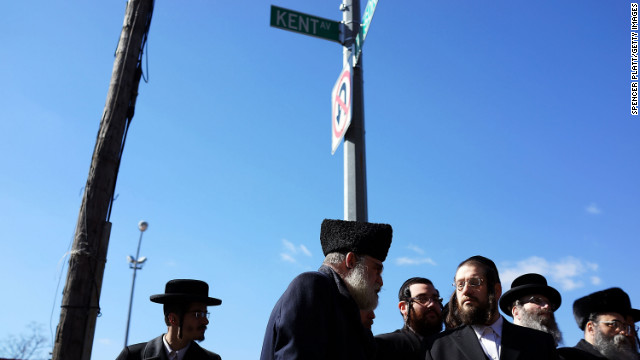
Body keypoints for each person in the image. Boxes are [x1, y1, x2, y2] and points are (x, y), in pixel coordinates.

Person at [260, 218, 393, 360]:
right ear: (351, 262)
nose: (380, 281)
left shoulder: (345, 308)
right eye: (377, 270)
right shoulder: (312, 286)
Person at [425, 255, 558, 360]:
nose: (465, 290)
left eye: (474, 282)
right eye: (460, 285)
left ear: (496, 290)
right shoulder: (437, 347)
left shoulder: (540, 343)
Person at [116, 279, 222, 360]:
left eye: (205, 314)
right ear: (173, 319)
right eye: (198, 315)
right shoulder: (132, 356)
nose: (206, 321)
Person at [558, 287, 637, 360]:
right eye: (614, 324)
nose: (623, 331)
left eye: (624, 326)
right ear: (591, 328)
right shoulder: (566, 357)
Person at [375, 277, 443, 360]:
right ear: (403, 307)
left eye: (435, 299)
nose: (432, 304)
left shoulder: (452, 346)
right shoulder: (385, 345)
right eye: (422, 299)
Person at [499, 273, 563, 346]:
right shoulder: (501, 347)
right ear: (516, 311)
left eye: (549, 303)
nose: (547, 306)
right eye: (537, 300)